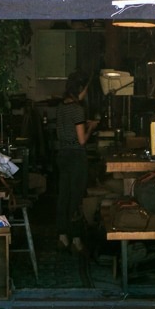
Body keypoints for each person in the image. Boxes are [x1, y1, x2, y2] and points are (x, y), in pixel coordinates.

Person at [55, 70, 99, 253]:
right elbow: (81, 140)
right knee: (76, 196)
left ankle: (62, 236)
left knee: (63, 195)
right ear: (80, 90)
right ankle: (76, 239)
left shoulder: (61, 107)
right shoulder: (77, 109)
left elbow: (67, 131)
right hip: (76, 156)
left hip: (63, 154)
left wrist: (83, 123)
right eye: (85, 90)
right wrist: (92, 127)